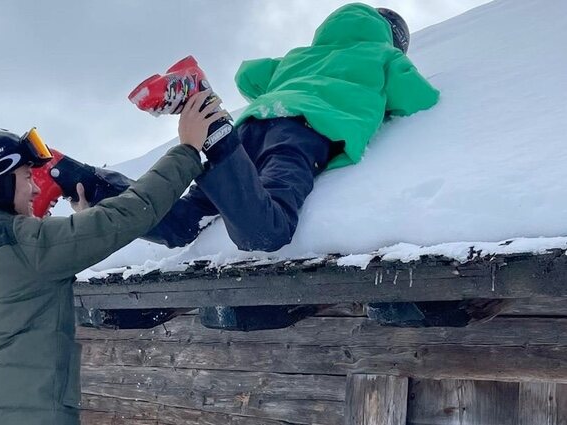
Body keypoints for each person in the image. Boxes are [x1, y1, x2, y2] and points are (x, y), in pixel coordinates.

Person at [64, 4, 453, 330]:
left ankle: (83, 180)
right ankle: (213, 130)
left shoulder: (299, 57)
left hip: (251, 130)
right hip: (300, 133)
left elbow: (249, 76)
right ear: (395, 42)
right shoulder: (382, 57)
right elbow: (417, 97)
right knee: (265, 233)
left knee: (185, 225)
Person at [0, 92, 225, 425]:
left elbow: (24, 275)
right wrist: (187, 150)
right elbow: (126, 215)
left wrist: (78, 227)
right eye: (25, 178)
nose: (36, 189)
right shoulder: (23, 244)